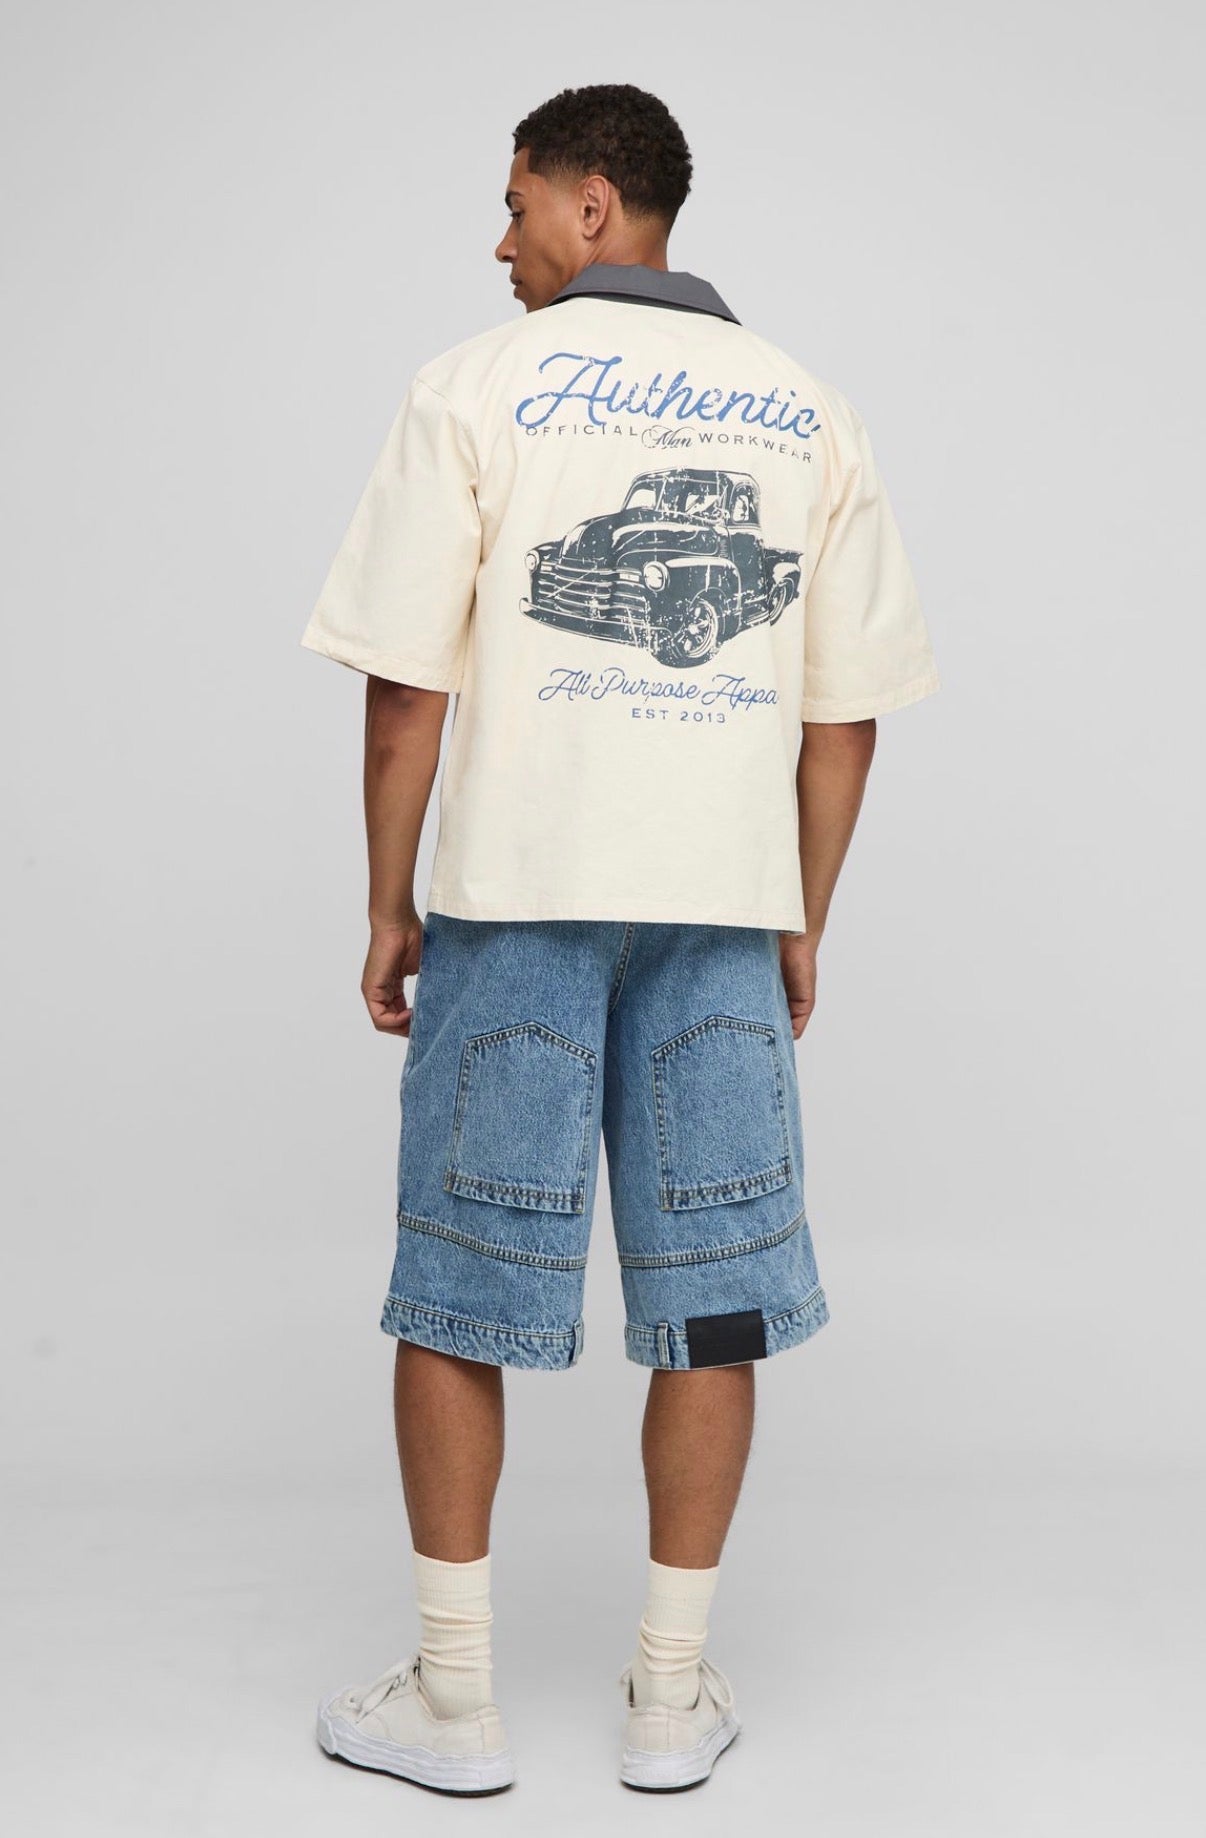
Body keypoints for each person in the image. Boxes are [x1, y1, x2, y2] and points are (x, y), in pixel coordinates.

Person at [301, 83, 939, 1796]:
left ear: (592, 204)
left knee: (461, 1287)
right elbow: (845, 721)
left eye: (514, 203)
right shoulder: (807, 408)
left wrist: (387, 899)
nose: (497, 240)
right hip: (720, 905)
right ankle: (668, 1696)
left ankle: (453, 1696)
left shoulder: (470, 387)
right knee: (711, 1303)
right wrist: (800, 911)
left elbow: (405, 692)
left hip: (514, 895)